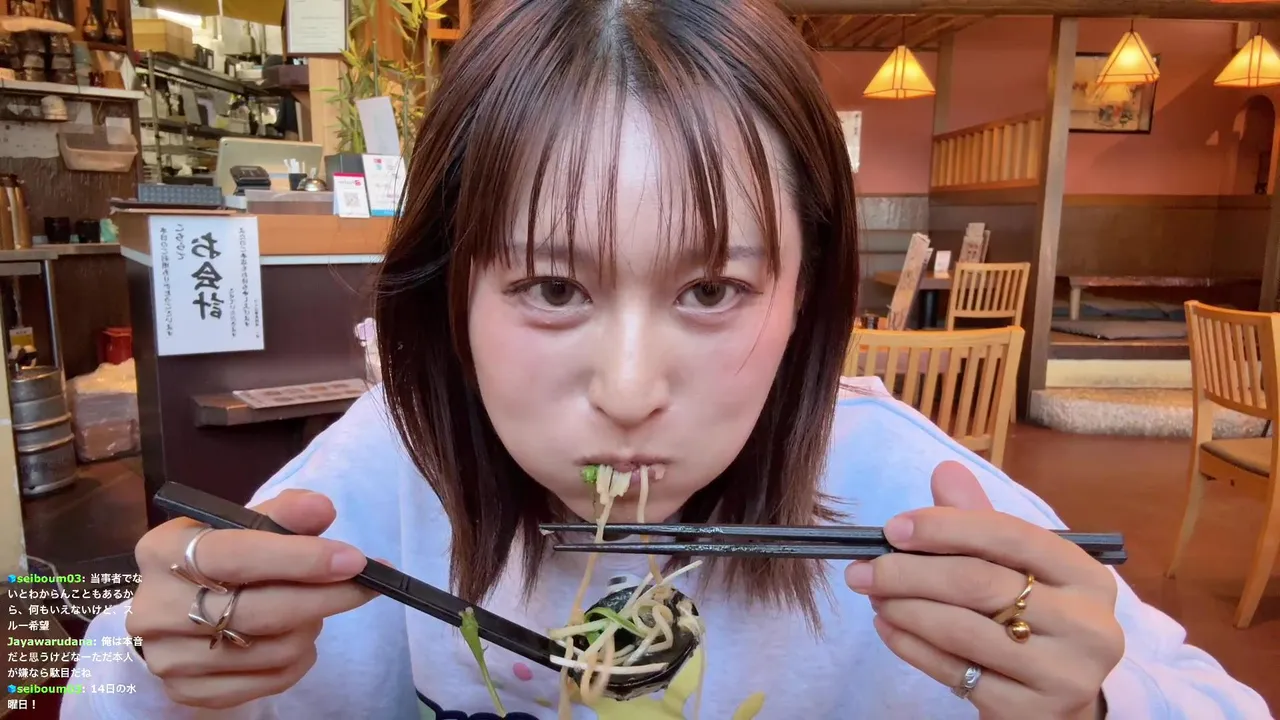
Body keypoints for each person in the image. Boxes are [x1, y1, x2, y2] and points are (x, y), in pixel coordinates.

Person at [63, 1, 1269, 718]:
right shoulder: (386, 474)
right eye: (550, 288)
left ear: (804, 297)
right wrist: (166, 670)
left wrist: (1091, 701)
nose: (630, 392)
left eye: (710, 290)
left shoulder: (906, 500)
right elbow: (111, 682)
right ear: (450, 292)